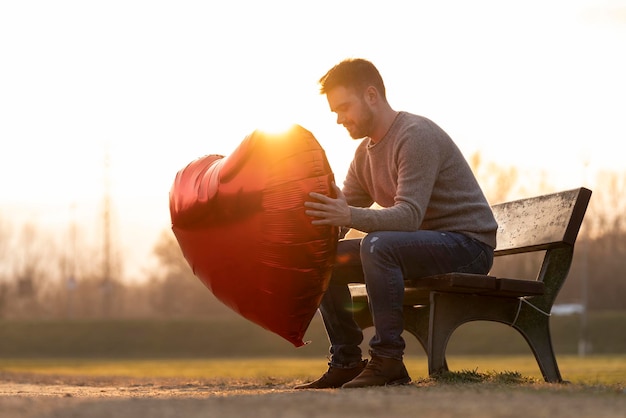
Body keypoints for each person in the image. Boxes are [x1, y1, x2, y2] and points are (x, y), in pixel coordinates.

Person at [295, 58, 498, 389]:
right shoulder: (365, 154)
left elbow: (408, 216)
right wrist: (317, 213)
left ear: (372, 95)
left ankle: (388, 360)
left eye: (344, 107)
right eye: (334, 111)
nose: (339, 119)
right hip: (420, 246)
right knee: (324, 259)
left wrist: (346, 215)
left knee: (379, 246)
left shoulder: (414, 136)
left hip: (468, 245)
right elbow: (346, 207)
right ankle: (346, 360)